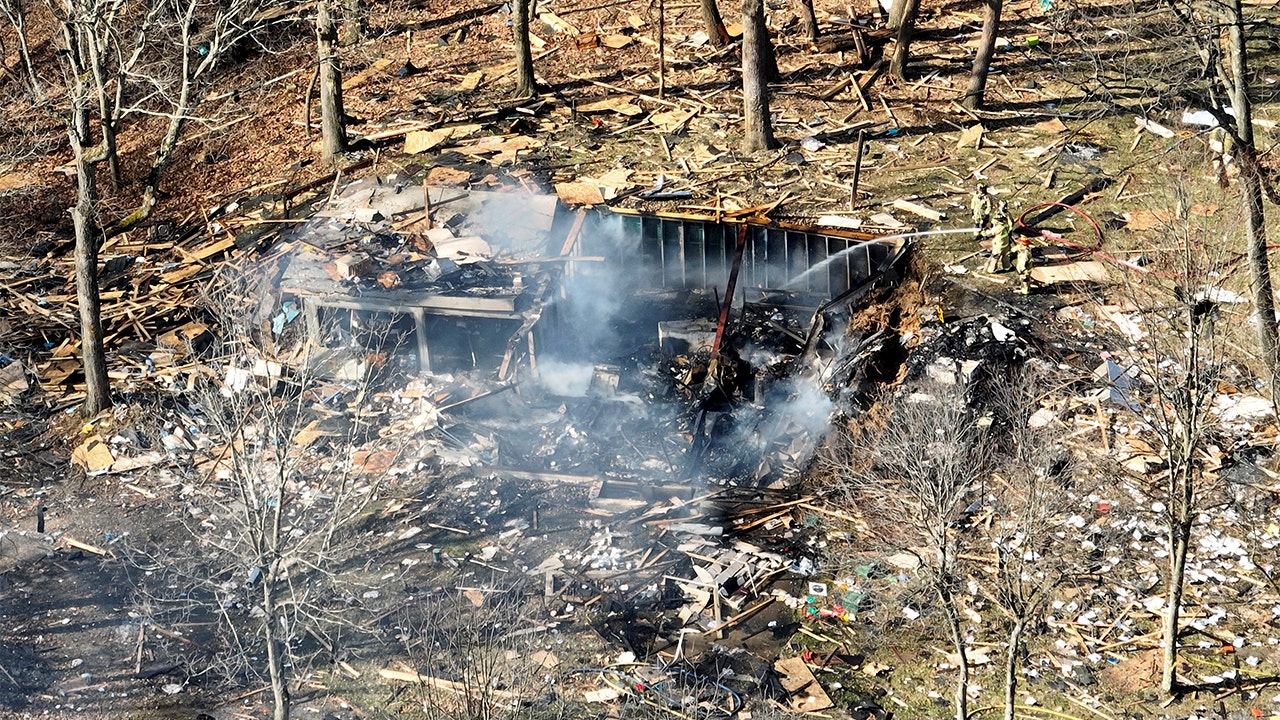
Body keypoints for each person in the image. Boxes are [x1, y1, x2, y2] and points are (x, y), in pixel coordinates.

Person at [984, 201, 1014, 274]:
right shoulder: (1005, 223)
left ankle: (991, 270)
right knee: (1006, 256)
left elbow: (990, 234)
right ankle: (1007, 268)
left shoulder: (998, 227)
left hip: (998, 245)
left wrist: (984, 231)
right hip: (1006, 243)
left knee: (995, 257)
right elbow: (1010, 223)